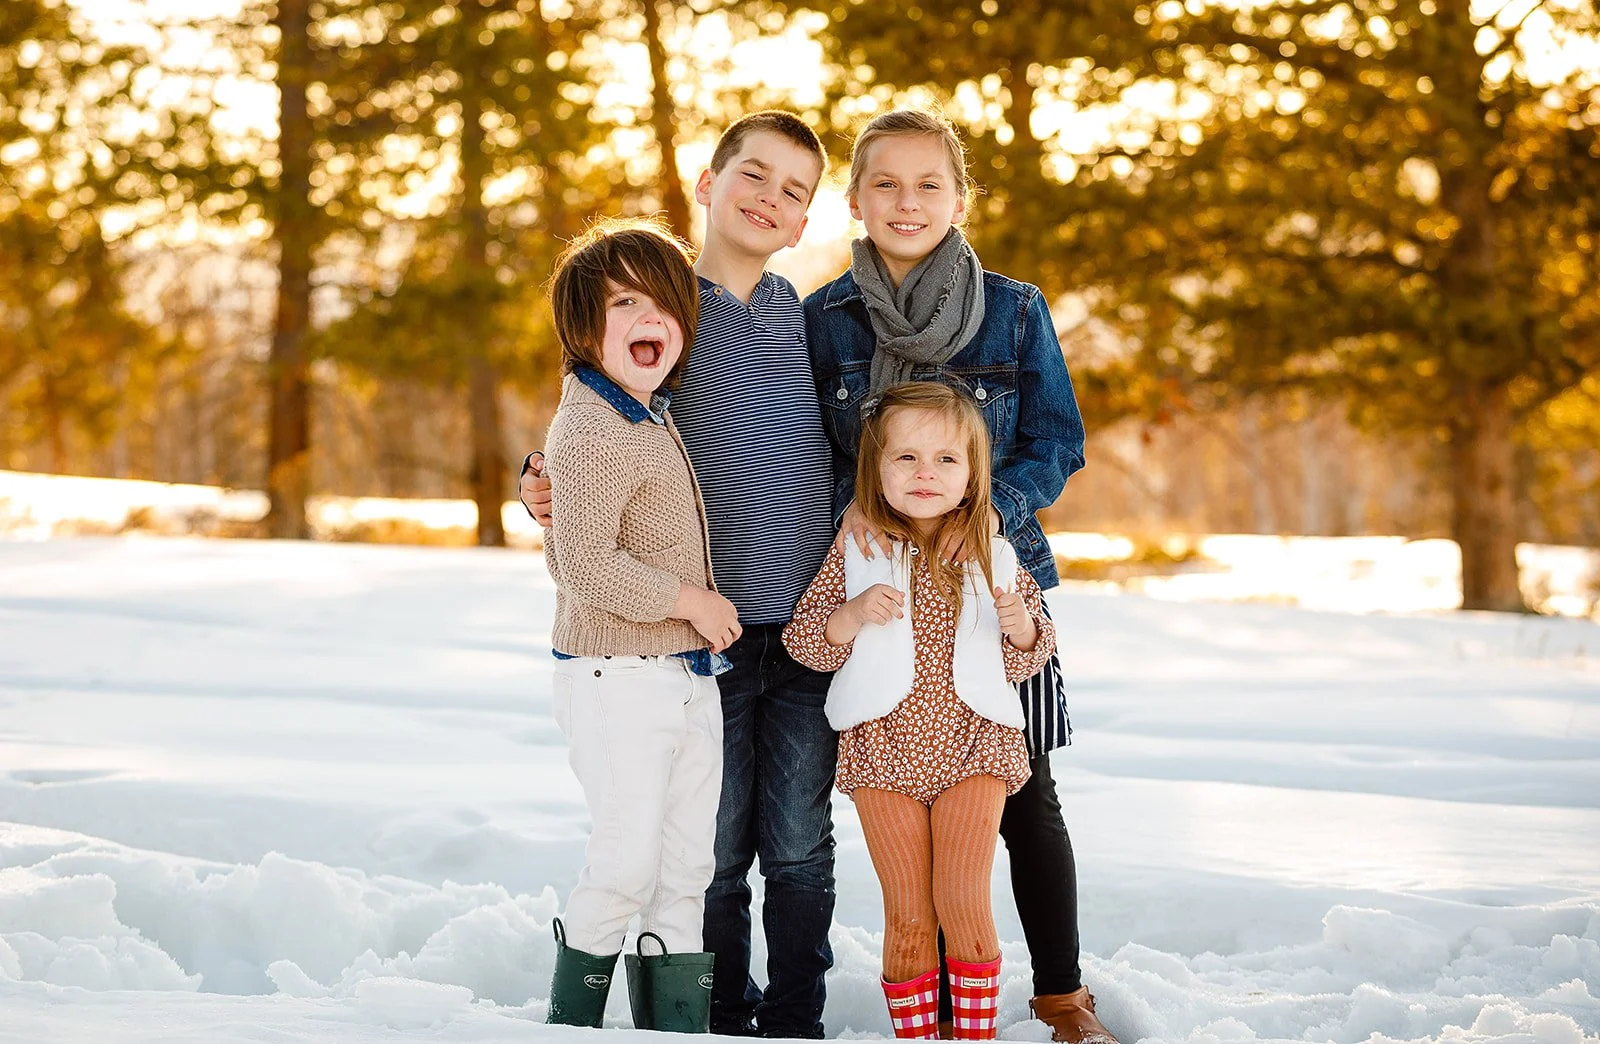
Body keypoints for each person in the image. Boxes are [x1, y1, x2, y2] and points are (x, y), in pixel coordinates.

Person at [522, 111, 840, 1038]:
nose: (769, 198)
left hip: (804, 622)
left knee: (798, 844)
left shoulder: (797, 314)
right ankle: (719, 1016)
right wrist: (535, 481)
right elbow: (591, 415)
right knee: (708, 849)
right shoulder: (666, 303)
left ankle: (795, 1019)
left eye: (793, 191)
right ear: (708, 184)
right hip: (698, 637)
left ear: (802, 223)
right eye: (754, 174)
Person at [804, 109, 1116, 1044]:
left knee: (1028, 798)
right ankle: (932, 1004)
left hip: (995, 585)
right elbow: (813, 453)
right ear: (856, 199)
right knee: (907, 807)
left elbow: (1056, 441)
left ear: (959, 198)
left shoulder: (1014, 310)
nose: (907, 202)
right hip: (879, 591)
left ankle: (1061, 998)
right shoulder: (825, 318)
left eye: (928, 184)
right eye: (886, 184)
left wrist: (984, 518)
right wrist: (867, 511)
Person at [782, 382, 1054, 1041]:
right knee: (908, 914)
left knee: (962, 900)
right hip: (884, 750)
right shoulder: (858, 549)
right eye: (905, 457)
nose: (925, 473)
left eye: (945, 459)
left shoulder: (994, 552)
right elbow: (806, 643)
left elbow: (1029, 657)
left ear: (972, 473)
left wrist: (1020, 626)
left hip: (975, 744)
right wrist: (851, 615)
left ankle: (974, 1033)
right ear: (875, 470)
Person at [539, 219, 740, 1031]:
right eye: (624, 302)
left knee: (685, 868)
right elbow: (585, 566)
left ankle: (673, 1027)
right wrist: (693, 601)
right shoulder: (590, 427)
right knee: (626, 862)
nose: (648, 315)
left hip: (683, 677)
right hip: (615, 679)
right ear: (584, 327)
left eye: (662, 301)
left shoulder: (646, 415)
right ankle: (572, 1021)